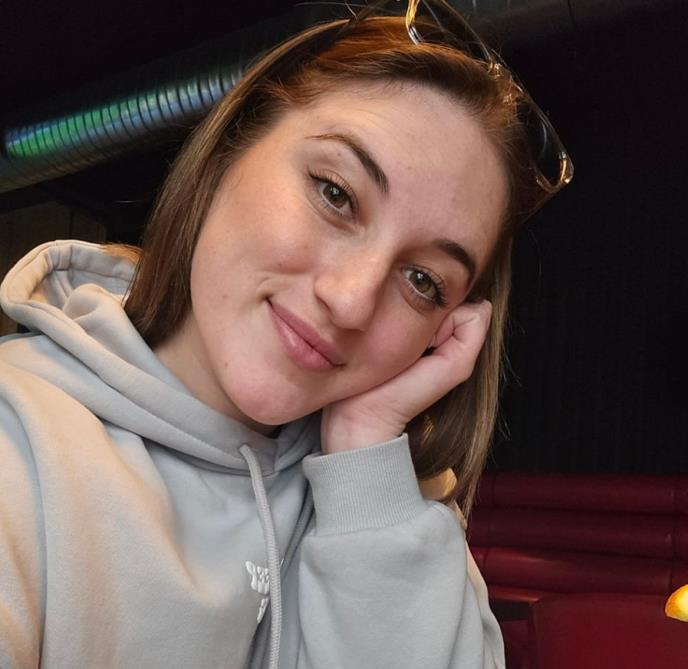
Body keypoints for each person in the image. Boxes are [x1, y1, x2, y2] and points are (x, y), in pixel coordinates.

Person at [0, 1, 572, 667]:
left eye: (422, 280)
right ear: (228, 151)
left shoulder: (401, 509)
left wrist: (364, 458)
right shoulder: (18, 445)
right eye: (336, 194)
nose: (351, 301)